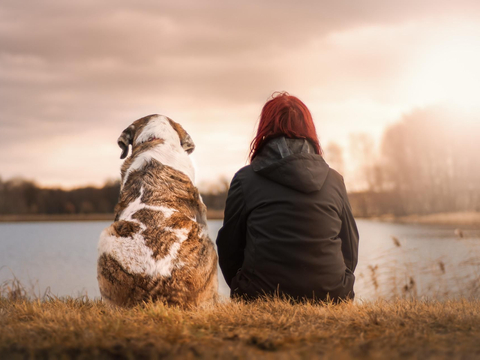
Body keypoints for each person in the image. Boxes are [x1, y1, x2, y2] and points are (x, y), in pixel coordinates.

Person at [216, 92, 359, 302]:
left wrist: (243, 286)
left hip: (259, 295)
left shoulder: (245, 180)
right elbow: (350, 246)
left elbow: (229, 247)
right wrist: (338, 283)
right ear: (309, 130)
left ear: (265, 129)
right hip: (332, 295)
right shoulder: (334, 180)